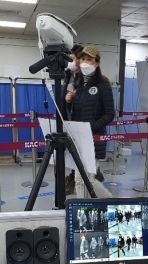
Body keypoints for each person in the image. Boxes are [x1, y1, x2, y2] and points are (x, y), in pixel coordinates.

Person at [66, 45, 115, 183]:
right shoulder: (79, 84)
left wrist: (90, 127)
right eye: (82, 59)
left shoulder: (103, 84)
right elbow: (74, 112)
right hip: (79, 138)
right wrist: (69, 102)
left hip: (94, 138)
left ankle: (88, 198)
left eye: (89, 60)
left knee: (82, 180)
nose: (85, 63)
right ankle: (104, 195)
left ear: (97, 63)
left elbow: (110, 114)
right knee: (86, 180)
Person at [62, 44, 84, 195]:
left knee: (79, 154)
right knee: (72, 153)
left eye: (72, 58)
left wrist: (74, 97)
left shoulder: (84, 78)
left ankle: (77, 180)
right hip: (70, 118)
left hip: (80, 121)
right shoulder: (71, 75)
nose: (70, 61)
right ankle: (73, 177)